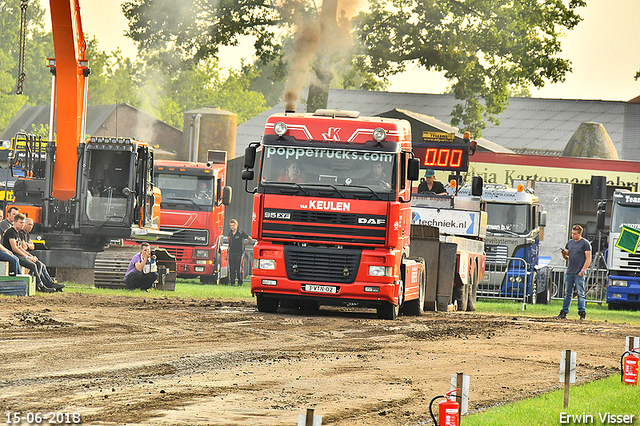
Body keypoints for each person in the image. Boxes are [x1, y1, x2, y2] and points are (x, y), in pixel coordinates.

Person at [2, 213, 62, 293]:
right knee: (33, 265)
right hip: (14, 255)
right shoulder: (11, 232)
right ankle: (41, 286)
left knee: (39, 264)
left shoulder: (18, 232)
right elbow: (14, 248)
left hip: (20, 254)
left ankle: (42, 285)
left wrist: (30, 255)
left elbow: (20, 247)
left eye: (23, 223)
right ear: (15, 222)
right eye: (21, 222)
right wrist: (27, 257)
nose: (22, 225)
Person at [557, 224, 592, 320]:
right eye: (572, 233)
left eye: (575, 234)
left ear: (580, 233)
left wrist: (583, 270)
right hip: (570, 271)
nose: (573, 235)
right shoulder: (570, 243)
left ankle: (582, 312)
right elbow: (567, 257)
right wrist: (564, 254)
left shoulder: (585, 243)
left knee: (580, 293)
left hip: (579, 272)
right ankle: (564, 311)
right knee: (567, 293)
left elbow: (588, 259)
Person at [20, 217, 62, 291]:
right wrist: (28, 248)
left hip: (26, 254)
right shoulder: (21, 233)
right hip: (22, 255)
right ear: (25, 225)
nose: (31, 227)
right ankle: (42, 285)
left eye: (32, 225)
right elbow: (23, 247)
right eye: (29, 224)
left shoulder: (27, 234)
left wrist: (27, 245)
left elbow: (32, 247)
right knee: (38, 265)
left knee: (42, 265)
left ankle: (49, 284)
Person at [226, 219, 252, 286]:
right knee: (232, 268)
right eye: (231, 226)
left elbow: (250, 239)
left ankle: (240, 282)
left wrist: (244, 245)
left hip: (239, 253)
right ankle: (232, 282)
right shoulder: (230, 233)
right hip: (232, 252)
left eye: (233, 225)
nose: (232, 227)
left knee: (238, 268)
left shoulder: (240, 233)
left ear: (236, 225)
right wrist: (227, 253)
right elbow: (229, 243)